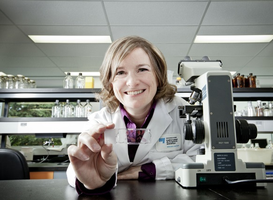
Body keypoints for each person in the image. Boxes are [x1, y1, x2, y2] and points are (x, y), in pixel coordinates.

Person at [67, 36, 201, 195]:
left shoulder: (184, 111)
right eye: (121, 72)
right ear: (111, 82)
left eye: (142, 69)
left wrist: (149, 170)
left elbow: (200, 163)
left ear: (158, 76)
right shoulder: (101, 120)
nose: (132, 82)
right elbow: (77, 169)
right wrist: (92, 182)